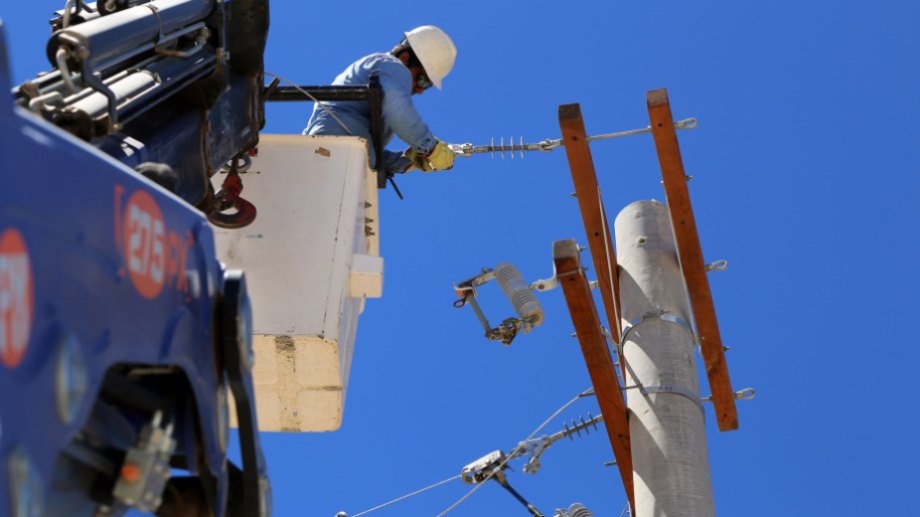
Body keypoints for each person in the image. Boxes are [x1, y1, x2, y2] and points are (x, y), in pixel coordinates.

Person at [304, 25, 457, 175]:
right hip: (331, 153)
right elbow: (398, 110)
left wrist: (409, 162)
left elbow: (367, 149)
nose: (420, 90)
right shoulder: (394, 68)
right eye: (422, 80)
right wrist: (430, 148)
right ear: (405, 58)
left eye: (427, 86)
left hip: (328, 153)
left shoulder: (382, 83)